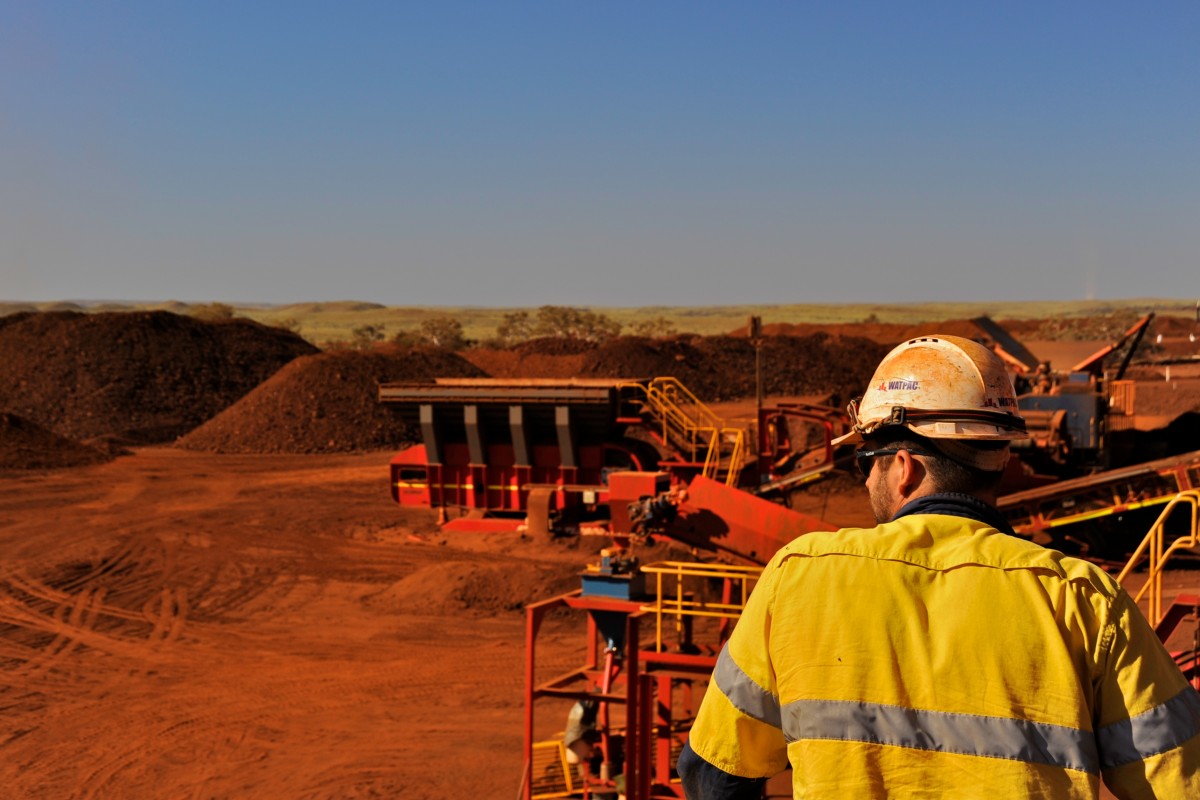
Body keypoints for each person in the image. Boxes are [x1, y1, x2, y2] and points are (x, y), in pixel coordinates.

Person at [677, 335, 1200, 799]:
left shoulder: (798, 577)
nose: (863, 482)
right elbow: (1182, 779)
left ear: (903, 469)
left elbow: (713, 774)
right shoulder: (1083, 600)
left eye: (866, 462)